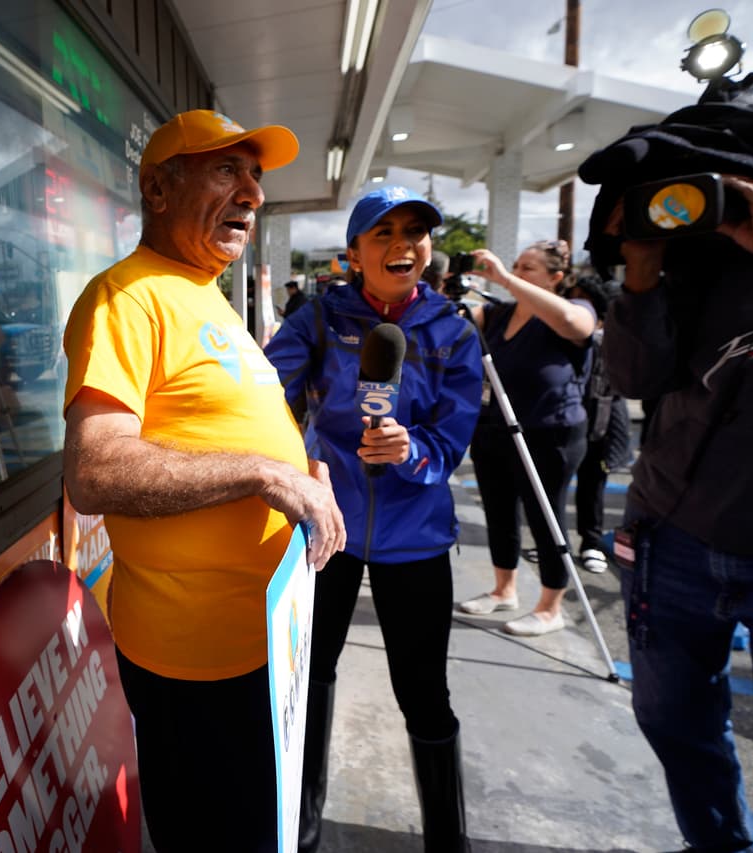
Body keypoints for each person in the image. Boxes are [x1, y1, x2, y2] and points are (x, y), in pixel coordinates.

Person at [61, 109, 346, 853]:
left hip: (262, 649)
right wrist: (261, 471)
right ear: (160, 188)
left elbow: (216, 428)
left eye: (255, 173)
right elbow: (94, 469)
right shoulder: (126, 295)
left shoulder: (207, 294)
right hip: (196, 669)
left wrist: (298, 470)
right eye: (226, 169)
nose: (251, 189)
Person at [265, 185, 482, 852]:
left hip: (415, 540)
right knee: (311, 677)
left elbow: (452, 437)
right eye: (382, 233)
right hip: (323, 531)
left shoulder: (453, 331)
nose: (402, 246)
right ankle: (300, 829)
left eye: (415, 232)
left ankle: (448, 839)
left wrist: (411, 450)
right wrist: (301, 462)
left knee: (424, 693)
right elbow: (267, 399)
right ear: (354, 253)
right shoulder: (318, 319)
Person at [602, 174, 753, 851]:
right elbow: (632, 379)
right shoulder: (702, 262)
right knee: (671, 717)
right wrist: (643, 273)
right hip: (674, 531)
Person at [456, 239, 596, 636]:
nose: (515, 274)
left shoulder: (573, 309)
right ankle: (504, 589)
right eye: (515, 266)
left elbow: (577, 325)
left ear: (555, 277)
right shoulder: (497, 314)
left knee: (545, 515)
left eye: (527, 268)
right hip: (495, 428)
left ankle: (551, 607)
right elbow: (454, 325)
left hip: (551, 432)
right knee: (499, 511)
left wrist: (502, 278)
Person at [563, 272, 631, 574]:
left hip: (600, 420)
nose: (575, 302)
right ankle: (554, 543)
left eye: (581, 297)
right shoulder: (560, 328)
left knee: (593, 481)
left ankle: (590, 541)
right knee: (554, 485)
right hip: (561, 420)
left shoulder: (611, 335)